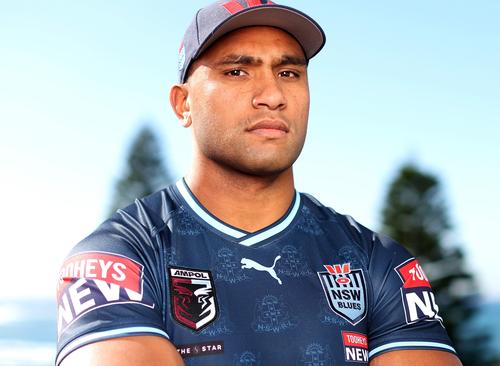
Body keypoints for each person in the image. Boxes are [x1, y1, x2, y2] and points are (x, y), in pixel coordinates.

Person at [55, 1, 463, 365]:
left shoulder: (378, 261)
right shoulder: (115, 261)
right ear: (184, 103)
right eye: (237, 71)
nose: (271, 94)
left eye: (288, 72)